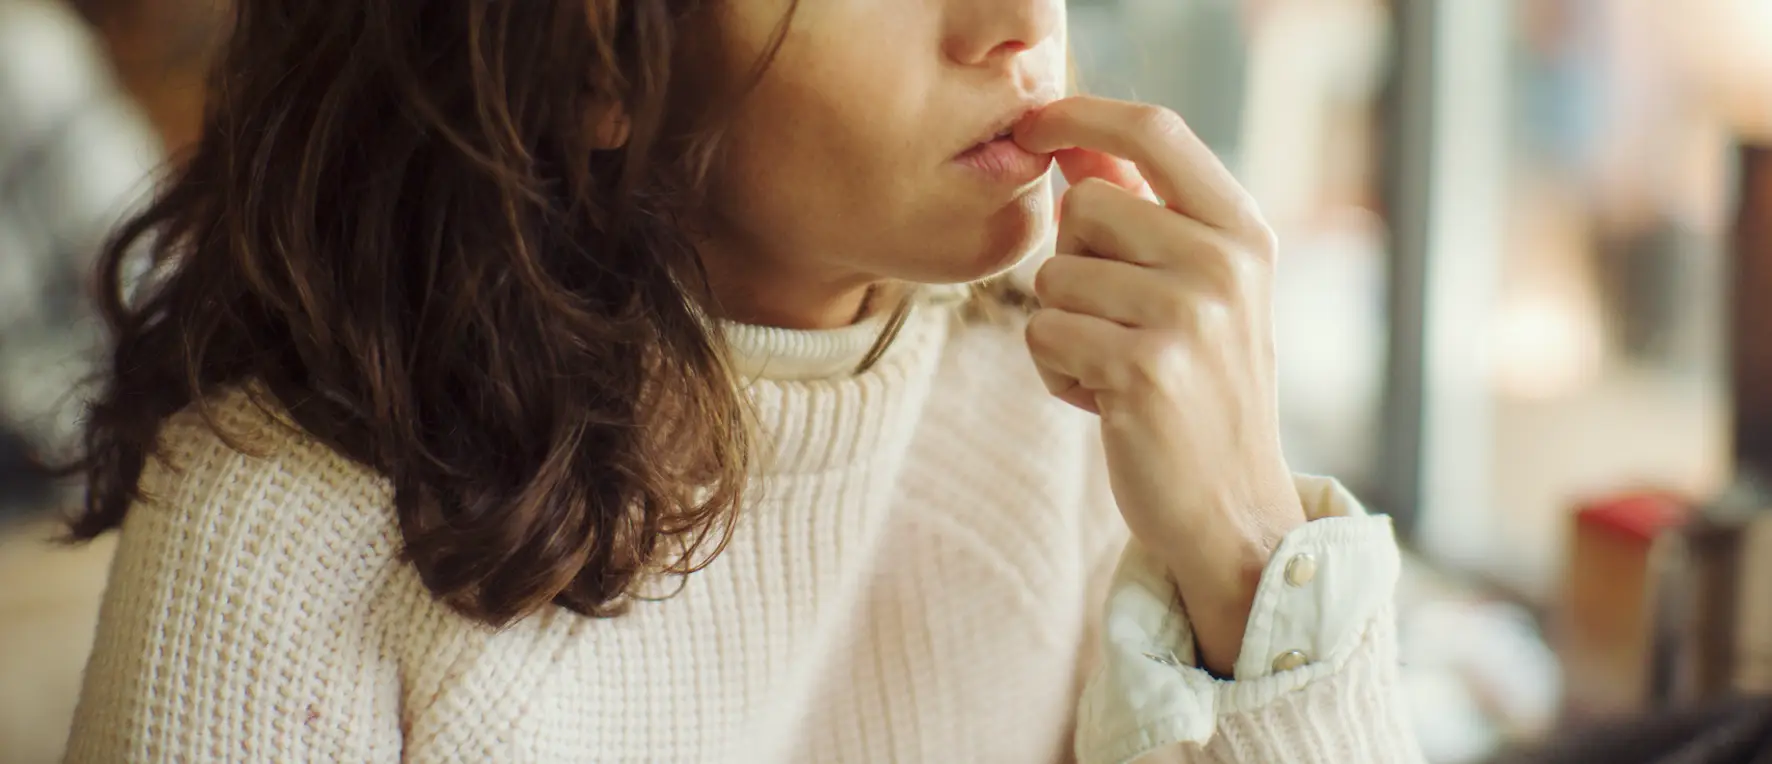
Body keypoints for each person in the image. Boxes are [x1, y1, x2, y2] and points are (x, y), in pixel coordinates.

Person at [60, 0, 1422, 761]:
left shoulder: (1064, 383)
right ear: (596, 56)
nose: (1017, 22)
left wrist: (1253, 556)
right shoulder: (270, 535)